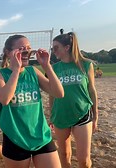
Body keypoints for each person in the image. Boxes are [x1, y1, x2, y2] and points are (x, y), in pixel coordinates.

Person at [0, 34, 63, 168]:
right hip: (15, 138)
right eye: (21, 48)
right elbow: (5, 99)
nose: (26, 51)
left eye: (28, 48)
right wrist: (16, 70)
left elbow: (59, 93)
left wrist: (47, 66)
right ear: (8, 52)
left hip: (41, 135)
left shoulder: (33, 71)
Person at [49, 32, 98, 168]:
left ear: (67, 47)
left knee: (84, 160)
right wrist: (51, 114)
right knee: (64, 155)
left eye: (56, 47)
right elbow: (52, 93)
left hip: (82, 113)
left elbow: (92, 90)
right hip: (60, 115)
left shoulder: (86, 65)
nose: (54, 51)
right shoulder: (54, 68)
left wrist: (96, 116)